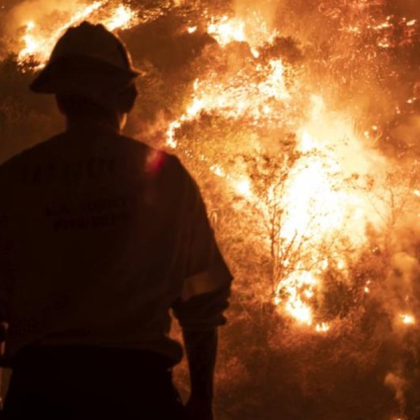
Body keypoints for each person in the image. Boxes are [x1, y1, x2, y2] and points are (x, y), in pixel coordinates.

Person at [0, 22, 232, 419]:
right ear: (126, 96)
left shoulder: (13, 180)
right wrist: (202, 400)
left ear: (60, 100)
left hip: (40, 394)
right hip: (134, 391)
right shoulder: (165, 175)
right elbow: (201, 296)